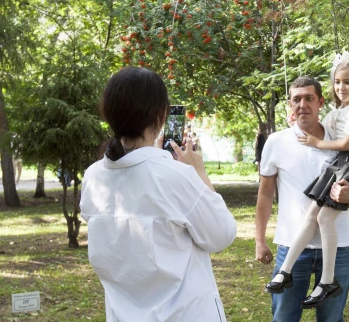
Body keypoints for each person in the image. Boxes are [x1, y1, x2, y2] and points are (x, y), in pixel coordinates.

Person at [81, 67, 237, 322]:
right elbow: (222, 235)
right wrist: (200, 173)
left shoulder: (94, 176)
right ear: (161, 114)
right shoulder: (175, 175)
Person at [265, 51, 349, 309]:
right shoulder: (338, 111)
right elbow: (316, 122)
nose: (341, 87)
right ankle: (284, 272)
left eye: (348, 82)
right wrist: (295, 119)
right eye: (338, 82)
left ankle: (327, 280)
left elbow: (346, 143)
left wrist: (317, 142)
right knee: (312, 214)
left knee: (324, 217)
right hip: (344, 161)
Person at [255, 75, 349, 322]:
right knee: (284, 318)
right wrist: (259, 239)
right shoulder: (276, 141)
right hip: (292, 245)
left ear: (321, 101)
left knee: (332, 319)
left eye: (309, 98)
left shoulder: (342, 139)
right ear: (290, 104)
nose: (303, 104)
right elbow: (265, 193)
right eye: (296, 99)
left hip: (338, 247)